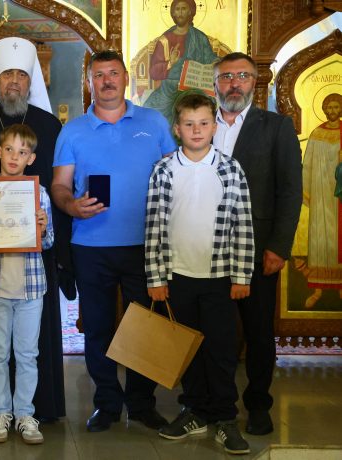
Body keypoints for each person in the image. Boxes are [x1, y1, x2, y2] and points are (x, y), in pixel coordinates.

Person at [51, 50, 176, 432]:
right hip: (91, 246)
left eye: (113, 73)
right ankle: (106, 403)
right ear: (90, 82)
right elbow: (59, 185)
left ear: (126, 78)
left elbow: (177, 175)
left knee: (145, 327)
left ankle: (141, 403)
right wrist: (71, 205)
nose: (107, 81)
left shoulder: (154, 122)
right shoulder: (73, 130)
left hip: (146, 245)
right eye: (99, 75)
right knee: (98, 327)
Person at [0, 36, 67, 424]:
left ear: (31, 80)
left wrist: (46, 232)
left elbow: (57, 187)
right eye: (8, 75)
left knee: (29, 347)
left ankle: (32, 411)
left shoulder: (50, 126)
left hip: (34, 261)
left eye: (22, 75)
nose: (15, 82)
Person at [145, 93, 254, 455]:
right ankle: (195, 411)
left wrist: (241, 276)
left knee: (220, 350)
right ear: (177, 129)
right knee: (187, 350)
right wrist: (156, 278)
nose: (196, 130)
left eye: (204, 123)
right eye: (189, 124)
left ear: (213, 127)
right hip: (177, 276)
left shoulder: (230, 169)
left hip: (220, 276)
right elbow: (154, 226)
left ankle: (225, 418)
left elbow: (242, 224)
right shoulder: (164, 169)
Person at [212, 52, 302, 435]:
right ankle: (214, 402)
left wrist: (279, 247)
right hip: (205, 248)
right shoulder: (198, 123)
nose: (234, 83)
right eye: (227, 76)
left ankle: (259, 404)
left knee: (258, 331)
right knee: (212, 330)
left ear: (255, 82)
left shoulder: (277, 126)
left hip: (258, 247)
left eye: (243, 76)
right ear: (214, 84)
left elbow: (290, 190)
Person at [0, 124, 54, 445]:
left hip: (30, 288)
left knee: (28, 354)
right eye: (9, 150)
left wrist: (42, 229)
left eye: (22, 152)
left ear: (31, 158)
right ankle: (1, 412)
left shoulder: (39, 194)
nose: (15, 157)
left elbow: (50, 240)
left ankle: (25, 415)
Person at [144, 0, 218, 121]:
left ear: (190, 12)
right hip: (170, 89)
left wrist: (215, 63)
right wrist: (170, 63)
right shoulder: (165, 40)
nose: (180, 13)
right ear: (173, 13)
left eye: (184, 9)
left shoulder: (200, 38)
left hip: (195, 87)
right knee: (148, 114)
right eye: (177, 9)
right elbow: (153, 72)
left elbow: (210, 58)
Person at [301, 93, 342, 308]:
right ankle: (317, 289)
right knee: (320, 238)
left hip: (339, 194)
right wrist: (308, 190)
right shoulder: (317, 133)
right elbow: (308, 164)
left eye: (336, 107)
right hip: (321, 193)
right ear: (325, 110)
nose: (333, 111)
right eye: (330, 107)